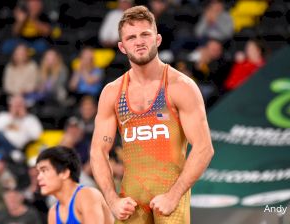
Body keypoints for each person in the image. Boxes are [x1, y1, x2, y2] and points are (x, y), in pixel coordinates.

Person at [90, 6, 214, 223]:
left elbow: (204, 148)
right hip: (131, 202)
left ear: (157, 39)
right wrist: (111, 200)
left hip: (170, 200)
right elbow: (98, 151)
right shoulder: (112, 93)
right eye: (131, 37)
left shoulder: (180, 87)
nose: (139, 41)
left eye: (145, 34)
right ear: (121, 46)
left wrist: (174, 195)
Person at [36, 146, 114, 224]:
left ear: (64, 173)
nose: (39, 177)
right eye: (38, 172)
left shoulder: (86, 195)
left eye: (44, 170)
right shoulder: (53, 212)